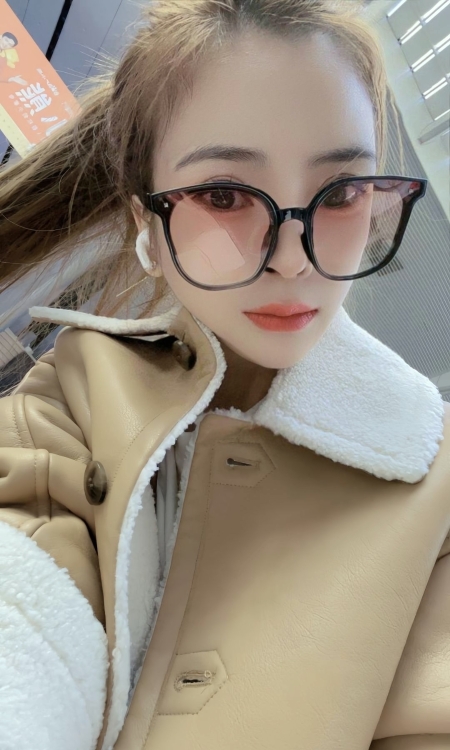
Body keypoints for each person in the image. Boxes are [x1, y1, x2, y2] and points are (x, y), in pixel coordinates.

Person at [0, 1, 449, 749]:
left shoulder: (434, 478)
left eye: (341, 193)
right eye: (223, 196)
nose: (292, 259)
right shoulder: (69, 399)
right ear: (146, 226)